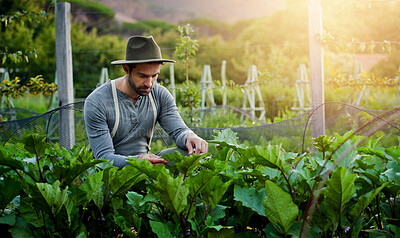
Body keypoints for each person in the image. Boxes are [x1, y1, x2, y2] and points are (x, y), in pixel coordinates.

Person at [84, 35, 208, 169]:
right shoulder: (97, 101)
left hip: (146, 167)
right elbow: (104, 158)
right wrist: (138, 160)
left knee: (190, 156)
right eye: (142, 76)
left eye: (154, 76)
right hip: (110, 175)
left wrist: (190, 136)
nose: (149, 83)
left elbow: (179, 131)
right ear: (126, 69)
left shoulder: (160, 94)